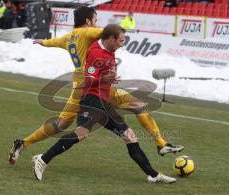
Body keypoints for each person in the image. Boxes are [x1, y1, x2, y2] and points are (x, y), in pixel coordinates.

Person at [9, 6, 183, 165]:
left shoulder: (68, 37)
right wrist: (117, 36)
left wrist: (43, 42)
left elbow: (52, 42)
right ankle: (161, 144)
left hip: (79, 87)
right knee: (138, 106)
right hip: (95, 86)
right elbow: (108, 33)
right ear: (88, 21)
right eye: (95, 19)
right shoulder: (88, 33)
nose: (97, 23)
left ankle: (24, 143)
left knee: (61, 125)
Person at [33, 24, 176, 183]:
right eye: (120, 41)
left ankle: (153, 175)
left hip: (103, 102)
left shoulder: (111, 51)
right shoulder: (96, 53)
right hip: (91, 99)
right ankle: (43, 160)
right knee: (82, 133)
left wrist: (109, 78)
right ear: (111, 39)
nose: (123, 44)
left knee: (129, 136)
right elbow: (87, 82)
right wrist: (105, 79)